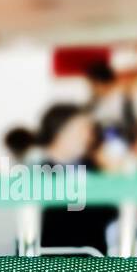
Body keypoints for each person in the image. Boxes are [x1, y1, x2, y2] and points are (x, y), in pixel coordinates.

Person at [36, 103, 114, 253]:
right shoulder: (40, 174)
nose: (89, 137)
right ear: (59, 131)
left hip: (94, 256)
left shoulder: (91, 167)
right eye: (81, 130)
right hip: (55, 260)